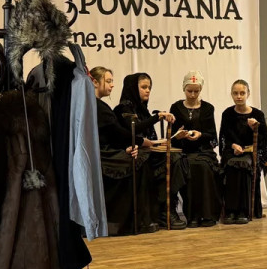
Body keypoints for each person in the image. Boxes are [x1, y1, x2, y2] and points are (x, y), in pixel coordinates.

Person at [114, 72, 188, 230]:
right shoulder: (123, 108)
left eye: (149, 87)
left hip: (148, 151)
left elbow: (150, 136)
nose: (147, 90)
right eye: (143, 87)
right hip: (133, 153)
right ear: (133, 88)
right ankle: (164, 211)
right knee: (172, 159)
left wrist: (164, 140)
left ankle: (168, 208)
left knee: (178, 157)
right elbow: (134, 130)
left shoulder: (143, 109)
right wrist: (157, 117)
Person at [91, 66, 159, 235]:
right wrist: (141, 141)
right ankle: (131, 222)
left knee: (139, 158)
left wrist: (128, 147)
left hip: (106, 150)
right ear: (95, 82)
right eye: (108, 81)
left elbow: (113, 134)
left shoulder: (98, 105)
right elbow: (118, 132)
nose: (112, 85)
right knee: (139, 162)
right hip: (102, 154)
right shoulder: (96, 105)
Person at [169, 71, 222, 228]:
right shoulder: (176, 107)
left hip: (203, 151)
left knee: (203, 167)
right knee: (188, 167)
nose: (192, 95)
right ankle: (192, 215)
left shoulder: (208, 108)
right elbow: (170, 135)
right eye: (189, 91)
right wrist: (179, 135)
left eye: (196, 91)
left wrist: (200, 134)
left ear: (200, 90)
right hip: (183, 151)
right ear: (184, 89)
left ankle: (207, 214)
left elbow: (212, 135)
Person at [219, 80, 267, 224]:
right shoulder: (227, 114)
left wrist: (254, 128)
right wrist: (233, 146)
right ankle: (231, 210)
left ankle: (243, 210)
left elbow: (263, 140)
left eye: (242, 93)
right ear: (231, 94)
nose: (239, 96)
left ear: (248, 94)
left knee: (243, 164)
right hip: (232, 151)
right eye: (235, 93)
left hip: (250, 151)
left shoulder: (257, 114)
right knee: (232, 165)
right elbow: (224, 138)